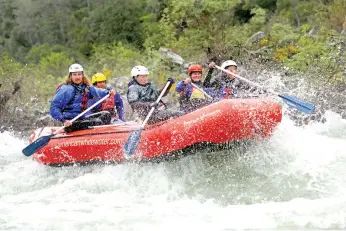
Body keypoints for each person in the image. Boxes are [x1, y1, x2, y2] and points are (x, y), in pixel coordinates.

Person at [50, 63, 114, 133]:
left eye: (79, 74)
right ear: (70, 76)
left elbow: (96, 91)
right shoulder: (67, 89)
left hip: (81, 119)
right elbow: (54, 107)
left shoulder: (85, 87)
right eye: (74, 74)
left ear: (82, 75)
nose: (77, 77)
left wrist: (108, 92)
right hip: (70, 123)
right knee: (98, 122)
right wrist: (63, 120)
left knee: (106, 115)